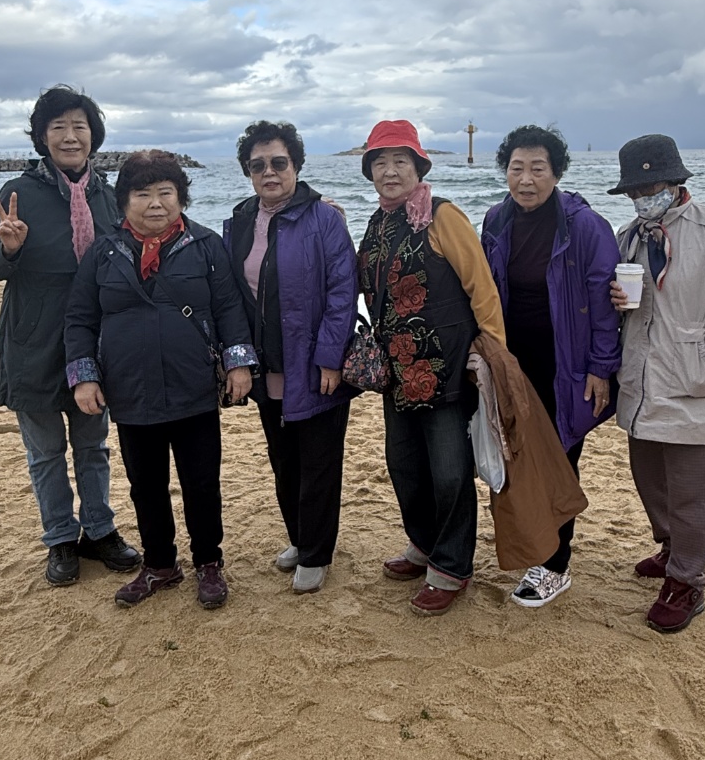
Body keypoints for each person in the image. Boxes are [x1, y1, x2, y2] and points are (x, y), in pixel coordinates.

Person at [65, 151, 256, 610]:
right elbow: (80, 318)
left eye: (165, 192)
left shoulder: (205, 245)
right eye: (143, 194)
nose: (155, 203)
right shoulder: (103, 252)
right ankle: (159, 564)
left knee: (201, 482)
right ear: (124, 201)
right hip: (130, 389)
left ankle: (209, 562)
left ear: (181, 197)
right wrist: (84, 377)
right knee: (145, 485)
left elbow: (229, 308)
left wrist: (238, 364)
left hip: (193, 387)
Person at [0, 85, 140, 587]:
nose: (70, 136)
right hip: (33, 341)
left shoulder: (108, 196)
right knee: (45, 452)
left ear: (93, 136)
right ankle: (61, 538)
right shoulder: (18, 194)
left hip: (93, 342)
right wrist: (9, 248)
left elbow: (140, 247)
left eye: (79, 127)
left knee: (94, 446)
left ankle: (100, 530)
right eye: (58, 127)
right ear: (42, 137)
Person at [608, 134, 705, 633]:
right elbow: (625, 305)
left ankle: (687, 581)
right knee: (651, 479)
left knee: (695, 490)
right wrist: (616, 301)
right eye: (634, 190)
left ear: (674, 183)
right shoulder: (629, 236)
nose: (642, 197)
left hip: (697, 381)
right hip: (643, 380)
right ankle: (673, 549)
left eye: (650, 187)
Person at [358, 120, 507, 616]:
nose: (390, 171)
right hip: (396, 373)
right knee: (404, 466)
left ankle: (451, 566)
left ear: (419, 167)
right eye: (380, 162)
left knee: (449, 472)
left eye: (400, 161)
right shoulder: (377, 224)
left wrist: (493, 353)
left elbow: (482, 288)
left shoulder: (443, 216)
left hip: (446, 369)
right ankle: (423, 544)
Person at [481, 125, 621, 608]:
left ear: (557, 173)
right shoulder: (496, 219)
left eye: (538, 169)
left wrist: (601, 368)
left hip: (567, 367)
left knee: (561, 461)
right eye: (516, 168)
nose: (526, 179)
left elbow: (604, 305)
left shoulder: (585, 227)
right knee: (519, 459)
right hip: (512, 365)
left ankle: (555, 566)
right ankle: (535, 546)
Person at [224, 120, 358, 594]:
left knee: (319, 462)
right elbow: (232, 295)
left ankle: (317, 553)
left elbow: (343, 292)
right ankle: (300, 539)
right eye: (257, 165)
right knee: (283, 460)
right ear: (248, 172)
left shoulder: (325, 218)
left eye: (279, 162)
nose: (269, 172)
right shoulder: (240, 220)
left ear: (296, 165)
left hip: (315, 365)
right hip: (268, 365)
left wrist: (330, 357)